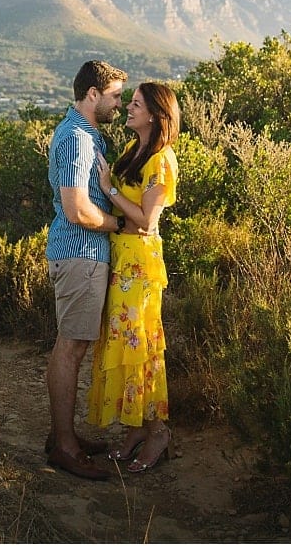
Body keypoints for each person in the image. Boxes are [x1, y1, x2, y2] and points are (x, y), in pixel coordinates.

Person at [87, 81, 180, 473]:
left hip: (140, 266)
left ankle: (158, 431)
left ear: (156, 116)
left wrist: (109, 190)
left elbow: (146, 221)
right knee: (124, 344)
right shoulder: (133, 150)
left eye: (136, 104)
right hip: (121, 261)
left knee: (140, 346)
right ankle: (137, 427)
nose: (128, 107)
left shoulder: (161, 160)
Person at [44, 59, 129, 480]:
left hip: (83, 254)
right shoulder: (77, 138)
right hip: (80, 252)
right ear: (92, 94)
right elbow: (78, 208)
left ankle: (66, 437)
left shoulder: (85, 135)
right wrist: (117, 224)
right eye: (114, 96)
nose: (120, 103)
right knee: (71, 346)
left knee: (72, 345)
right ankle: (63, 445)